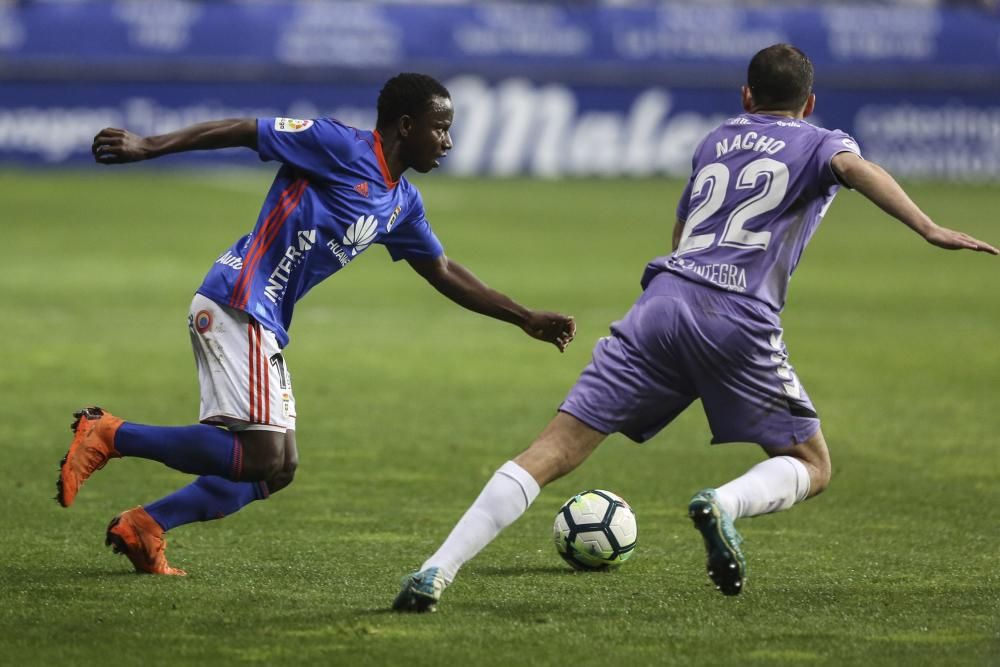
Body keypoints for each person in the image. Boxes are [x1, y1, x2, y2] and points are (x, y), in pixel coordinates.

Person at [392, 44, 998, 612]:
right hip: (739, 315)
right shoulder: (822, 142)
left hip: (663, 301)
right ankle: (723, 503)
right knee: (812, 464)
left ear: (746, 96)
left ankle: (435, 571)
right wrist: (927, 227)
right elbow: (856, 168)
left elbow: (681, 236)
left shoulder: (716, 140)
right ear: (808, 104)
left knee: (552, 450)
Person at [58, 73, 577, 576]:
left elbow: (442, 271)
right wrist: (148, 146)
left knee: (278, 469)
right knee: (262, 456)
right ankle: (109, 434)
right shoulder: (339, 145)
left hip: (265, 320)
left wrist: (524, 317)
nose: (447, 141)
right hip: (237, 299)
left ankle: (146, 525)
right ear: (404, 126)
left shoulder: (401, 203)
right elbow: (245, 129)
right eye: (439, 127)